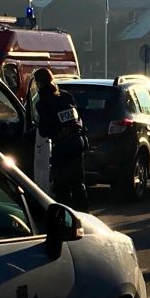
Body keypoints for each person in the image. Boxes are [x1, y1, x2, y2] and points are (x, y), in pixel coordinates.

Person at [34, 67, 89, 212]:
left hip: (62, 147)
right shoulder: (66, 96)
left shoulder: (43, 103)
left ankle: (67, 219)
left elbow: (45, 130)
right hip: (77, 143)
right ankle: (84, 215)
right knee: (78, 183)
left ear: (39, 83)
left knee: (62, 186)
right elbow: (77, 118)